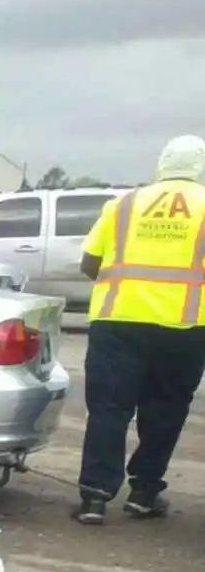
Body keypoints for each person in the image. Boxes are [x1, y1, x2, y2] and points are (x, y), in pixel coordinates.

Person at [72, 135, 205, 523]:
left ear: (162, 164)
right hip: (186, 326)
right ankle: (144, 493)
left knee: (108, 409)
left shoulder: (124, 203)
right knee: (165, 410)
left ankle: (94, 497)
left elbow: (89, 264)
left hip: (118, 321)